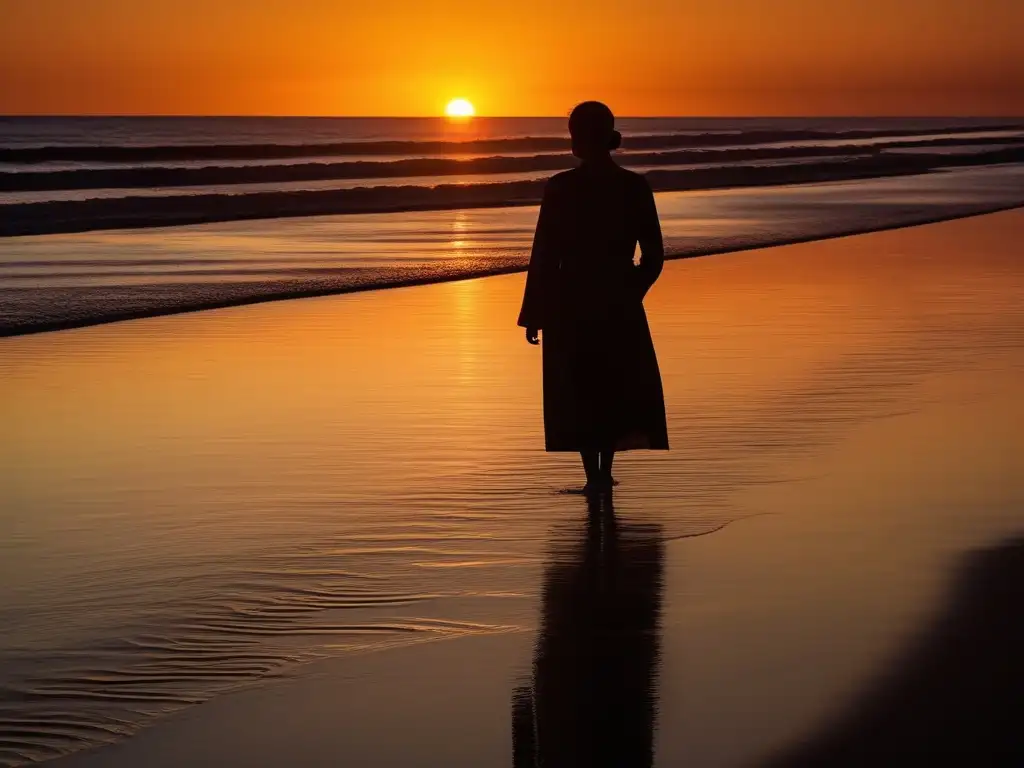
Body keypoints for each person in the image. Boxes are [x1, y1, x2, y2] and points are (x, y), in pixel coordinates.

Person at [518, 101, 669, 493]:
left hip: (571, 299)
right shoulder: (633, 186)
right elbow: (652, 257)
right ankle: (601, 473)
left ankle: (594, 476)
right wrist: (631, 291)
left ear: (582, 138)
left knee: (581, 385)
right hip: (616, 297)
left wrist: (535, 312)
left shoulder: (562, 187)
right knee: (613, 382)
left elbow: (544, 256)